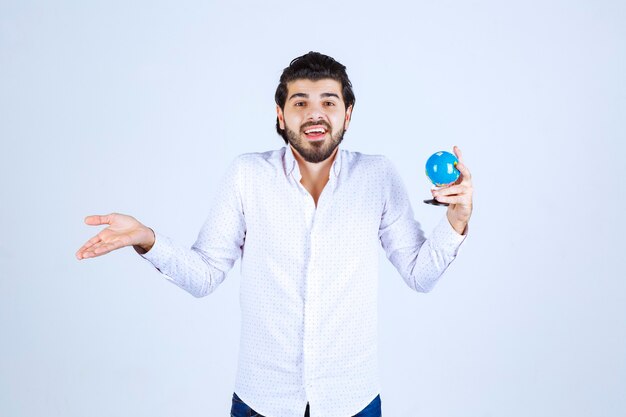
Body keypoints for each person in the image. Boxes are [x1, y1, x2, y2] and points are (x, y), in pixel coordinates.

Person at [76, 51, 473, 417]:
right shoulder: (247, 175)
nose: (315, 114)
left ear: (348, 114)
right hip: (261, 403)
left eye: (328, 103)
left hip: (352, 402)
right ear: (281, 115)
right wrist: (147, 238)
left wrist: (456, 218)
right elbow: (204, 275)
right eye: (300, 102)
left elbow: (420, 275)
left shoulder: (377, 176)